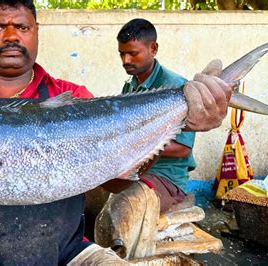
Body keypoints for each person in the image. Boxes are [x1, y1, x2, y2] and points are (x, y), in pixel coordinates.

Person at [0, 2, 231, 265]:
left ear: (36, 33)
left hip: (68, 254)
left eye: (21, 27)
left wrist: (173, 124)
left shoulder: (72, 96)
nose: (10, 36)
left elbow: (116, 181)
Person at [94, 18, 204, 259]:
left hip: (166, 178)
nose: (126, 61)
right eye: (121, 54)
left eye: (133, 54)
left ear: (153, 49)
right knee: (89, 192)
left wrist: (136, 144)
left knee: (124, 204)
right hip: (135, 168)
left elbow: (183, 149)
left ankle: (128, 260)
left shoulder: (177, 89)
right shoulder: (130, 87)